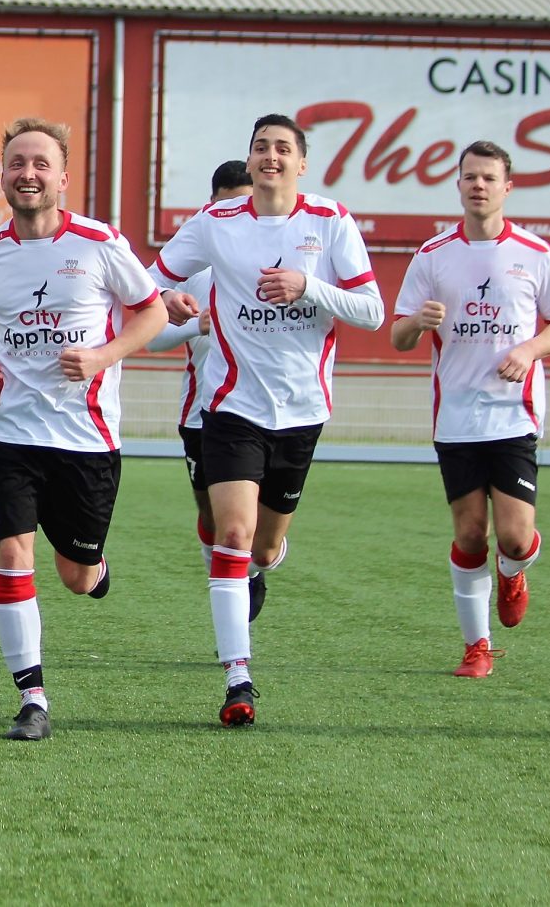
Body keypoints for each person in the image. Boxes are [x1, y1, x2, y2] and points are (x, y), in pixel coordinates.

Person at [152, 113, 382, 728]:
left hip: (302, 410)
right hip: (232, 406)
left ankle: (265, 562)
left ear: (301, 163)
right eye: (261, 147)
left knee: (264, 543)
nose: (270, 156)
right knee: (231, 535)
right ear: (250, 160)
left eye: (283, 148)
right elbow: (149, 281)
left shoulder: (330, 220)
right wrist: (166, 298)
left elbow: (371, 311)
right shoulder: (216, 222)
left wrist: (309, 286)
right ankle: (238, 678)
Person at [0, 119, 165, 740]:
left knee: (75, 576)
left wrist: (102, 356)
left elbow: (152, 312)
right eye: (17, 163)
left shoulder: (100, 243)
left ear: (63, 178)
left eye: (41, 164)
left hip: (86, 439)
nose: (28, 174)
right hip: (8, 434)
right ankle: (32, 699)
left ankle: (93, 567)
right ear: (2, 175)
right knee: (12, 554)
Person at [390, 141, 550, 678]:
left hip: (513, 415)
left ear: (507, 187)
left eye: (488, 178)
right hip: (456, 418)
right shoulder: (433, 255)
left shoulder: (535, 253)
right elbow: (398, 336)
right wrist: (418, 323)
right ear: (458, 184)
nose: (478, 185)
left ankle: (513, 570)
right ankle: (476, 647)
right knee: (468, 534)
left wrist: (529, 350)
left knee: (514, 537)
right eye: (470, 177)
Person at [145, 160, 252, 593]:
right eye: (227, 206)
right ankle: (229, 577)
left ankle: (254, 566)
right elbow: (152, 337)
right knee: (212, 513)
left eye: (246, 206)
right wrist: (196, 326)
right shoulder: (191, 265)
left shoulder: (276, 261)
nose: (236, 217)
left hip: (262, 410)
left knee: (253, 526)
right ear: (210, 206)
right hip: (201, 412)